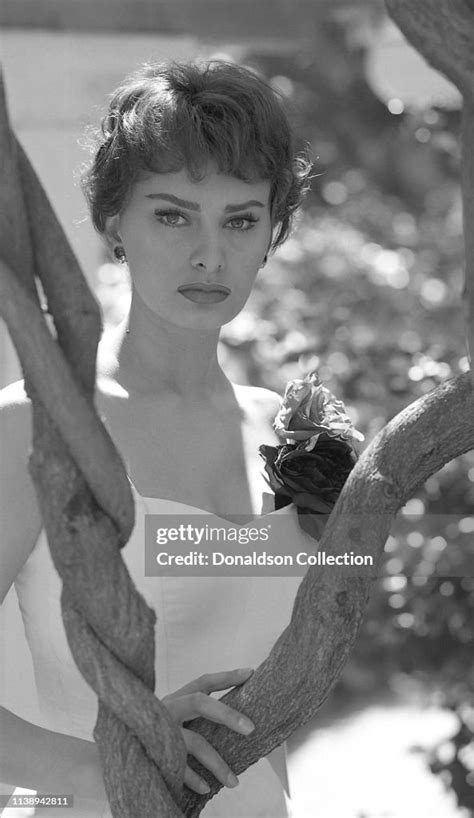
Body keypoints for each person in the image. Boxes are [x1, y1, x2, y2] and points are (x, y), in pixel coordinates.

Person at [0, 59, 315, 817]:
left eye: (240, 219)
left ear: (272, 231)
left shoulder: (284, 430)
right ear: (115, 223)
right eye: (173, 215)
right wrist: (95, 767)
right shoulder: (35, 423)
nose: (210, 254)